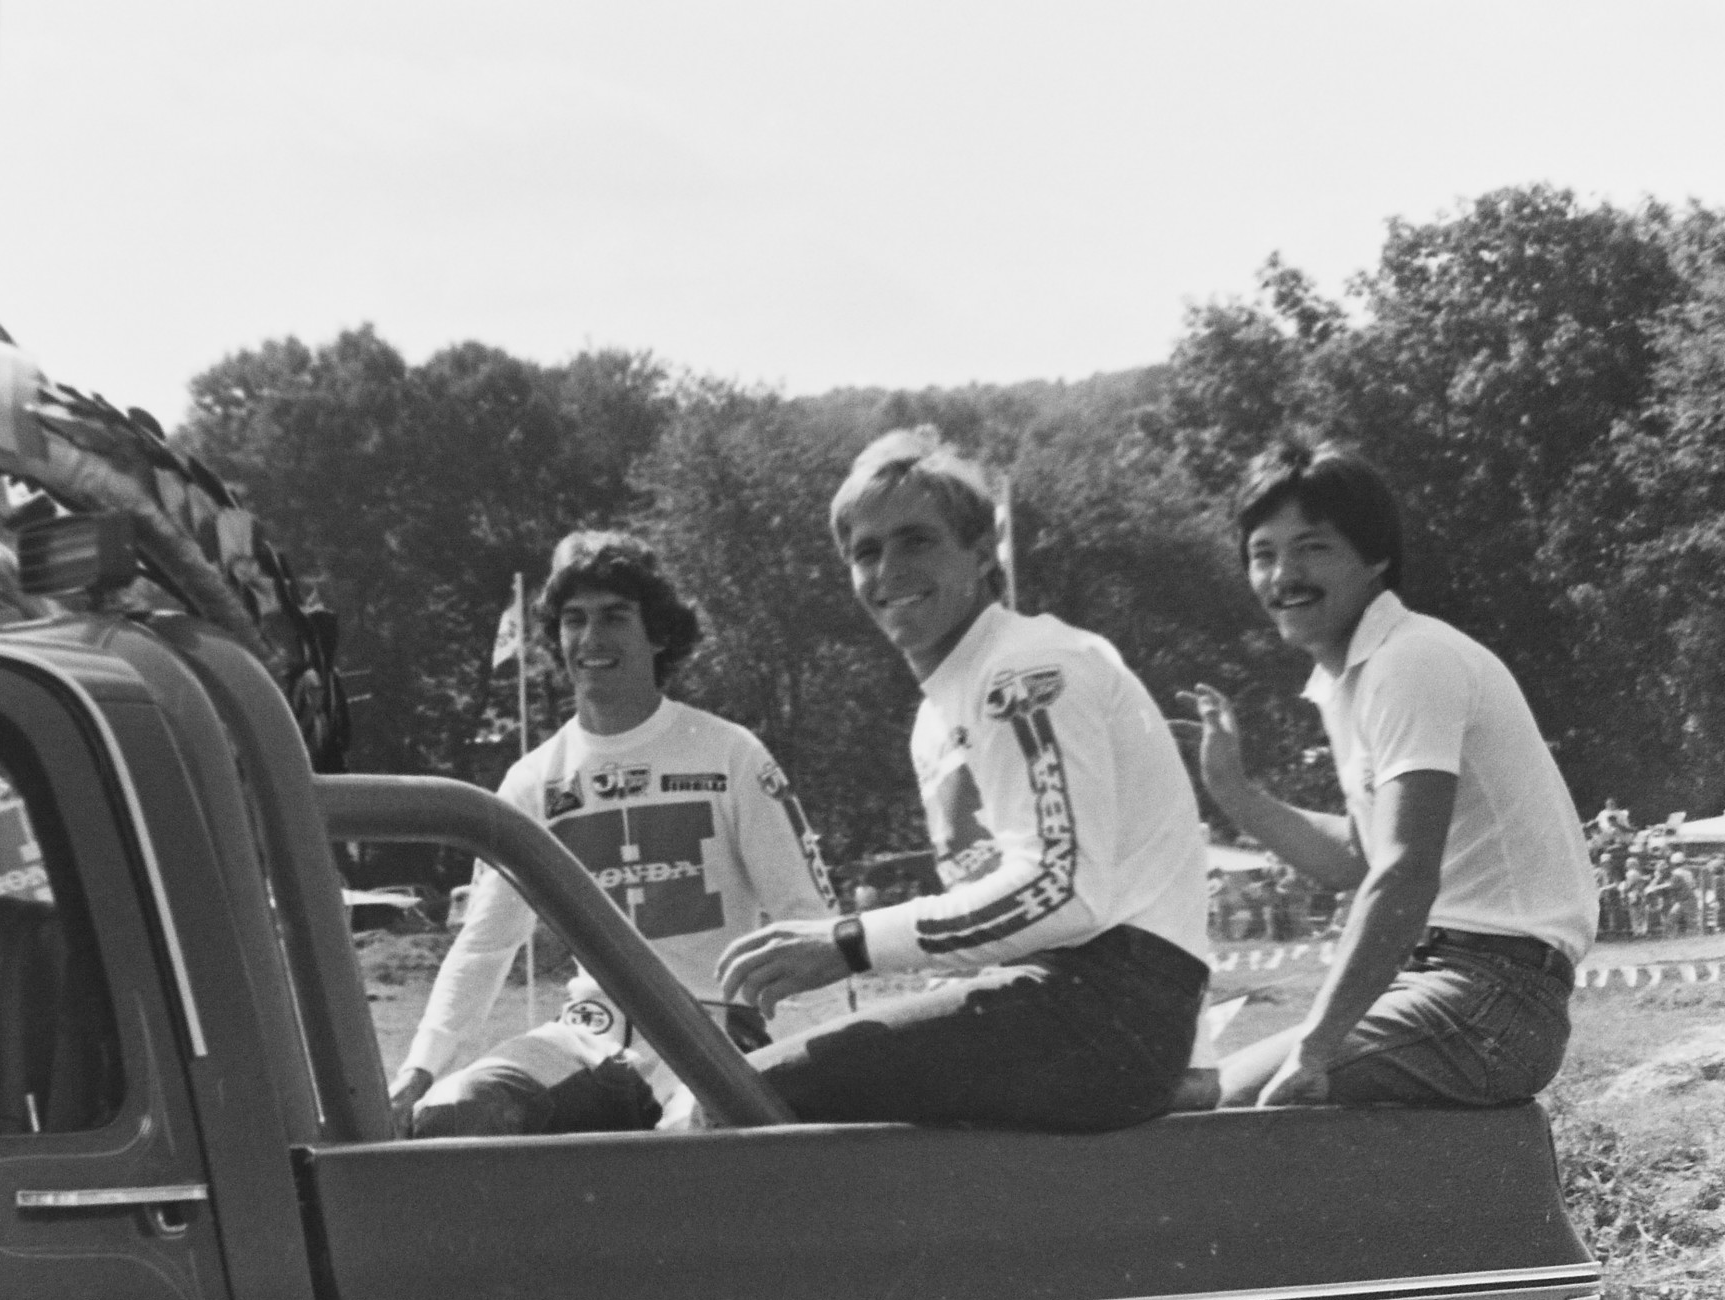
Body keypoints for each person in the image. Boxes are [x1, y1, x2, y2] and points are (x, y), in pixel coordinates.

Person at [715, 432, 1212, 1131]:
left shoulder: (1025, 669)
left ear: (982, 554)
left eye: (916, 541)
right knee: (762, 1095)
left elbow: (1061, 892)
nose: (889, 569)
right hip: (1070, 1007)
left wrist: (849, 943)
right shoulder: (942, 709)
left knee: (726, 1101)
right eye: (866, 551)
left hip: (1101, 1008)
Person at [1180, 441, 1595, 1108]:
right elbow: (1360, 858)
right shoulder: (1356, 673)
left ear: (1375, 557)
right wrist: (1235, 792)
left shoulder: (1410, 660)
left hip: (1493, 997)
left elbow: (1403, 872)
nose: (1284, 574)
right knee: (1205, 1095)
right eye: (1263, 554)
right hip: (1451, 983)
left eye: (1313, 547)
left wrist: (1317, 1048)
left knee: (1227, 1107)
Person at [391, 530, 837, 1136]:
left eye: (614, 616)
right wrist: (419, 1068)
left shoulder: (732, 753)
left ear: (658, 634)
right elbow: (485, 946)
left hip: (714, 1031)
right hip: (590, 1031)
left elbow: (805, 916)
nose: (591, 638)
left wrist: (834, 1064)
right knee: (455, 1113)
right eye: (574, 620)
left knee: (701, 1131)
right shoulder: (532, 780)